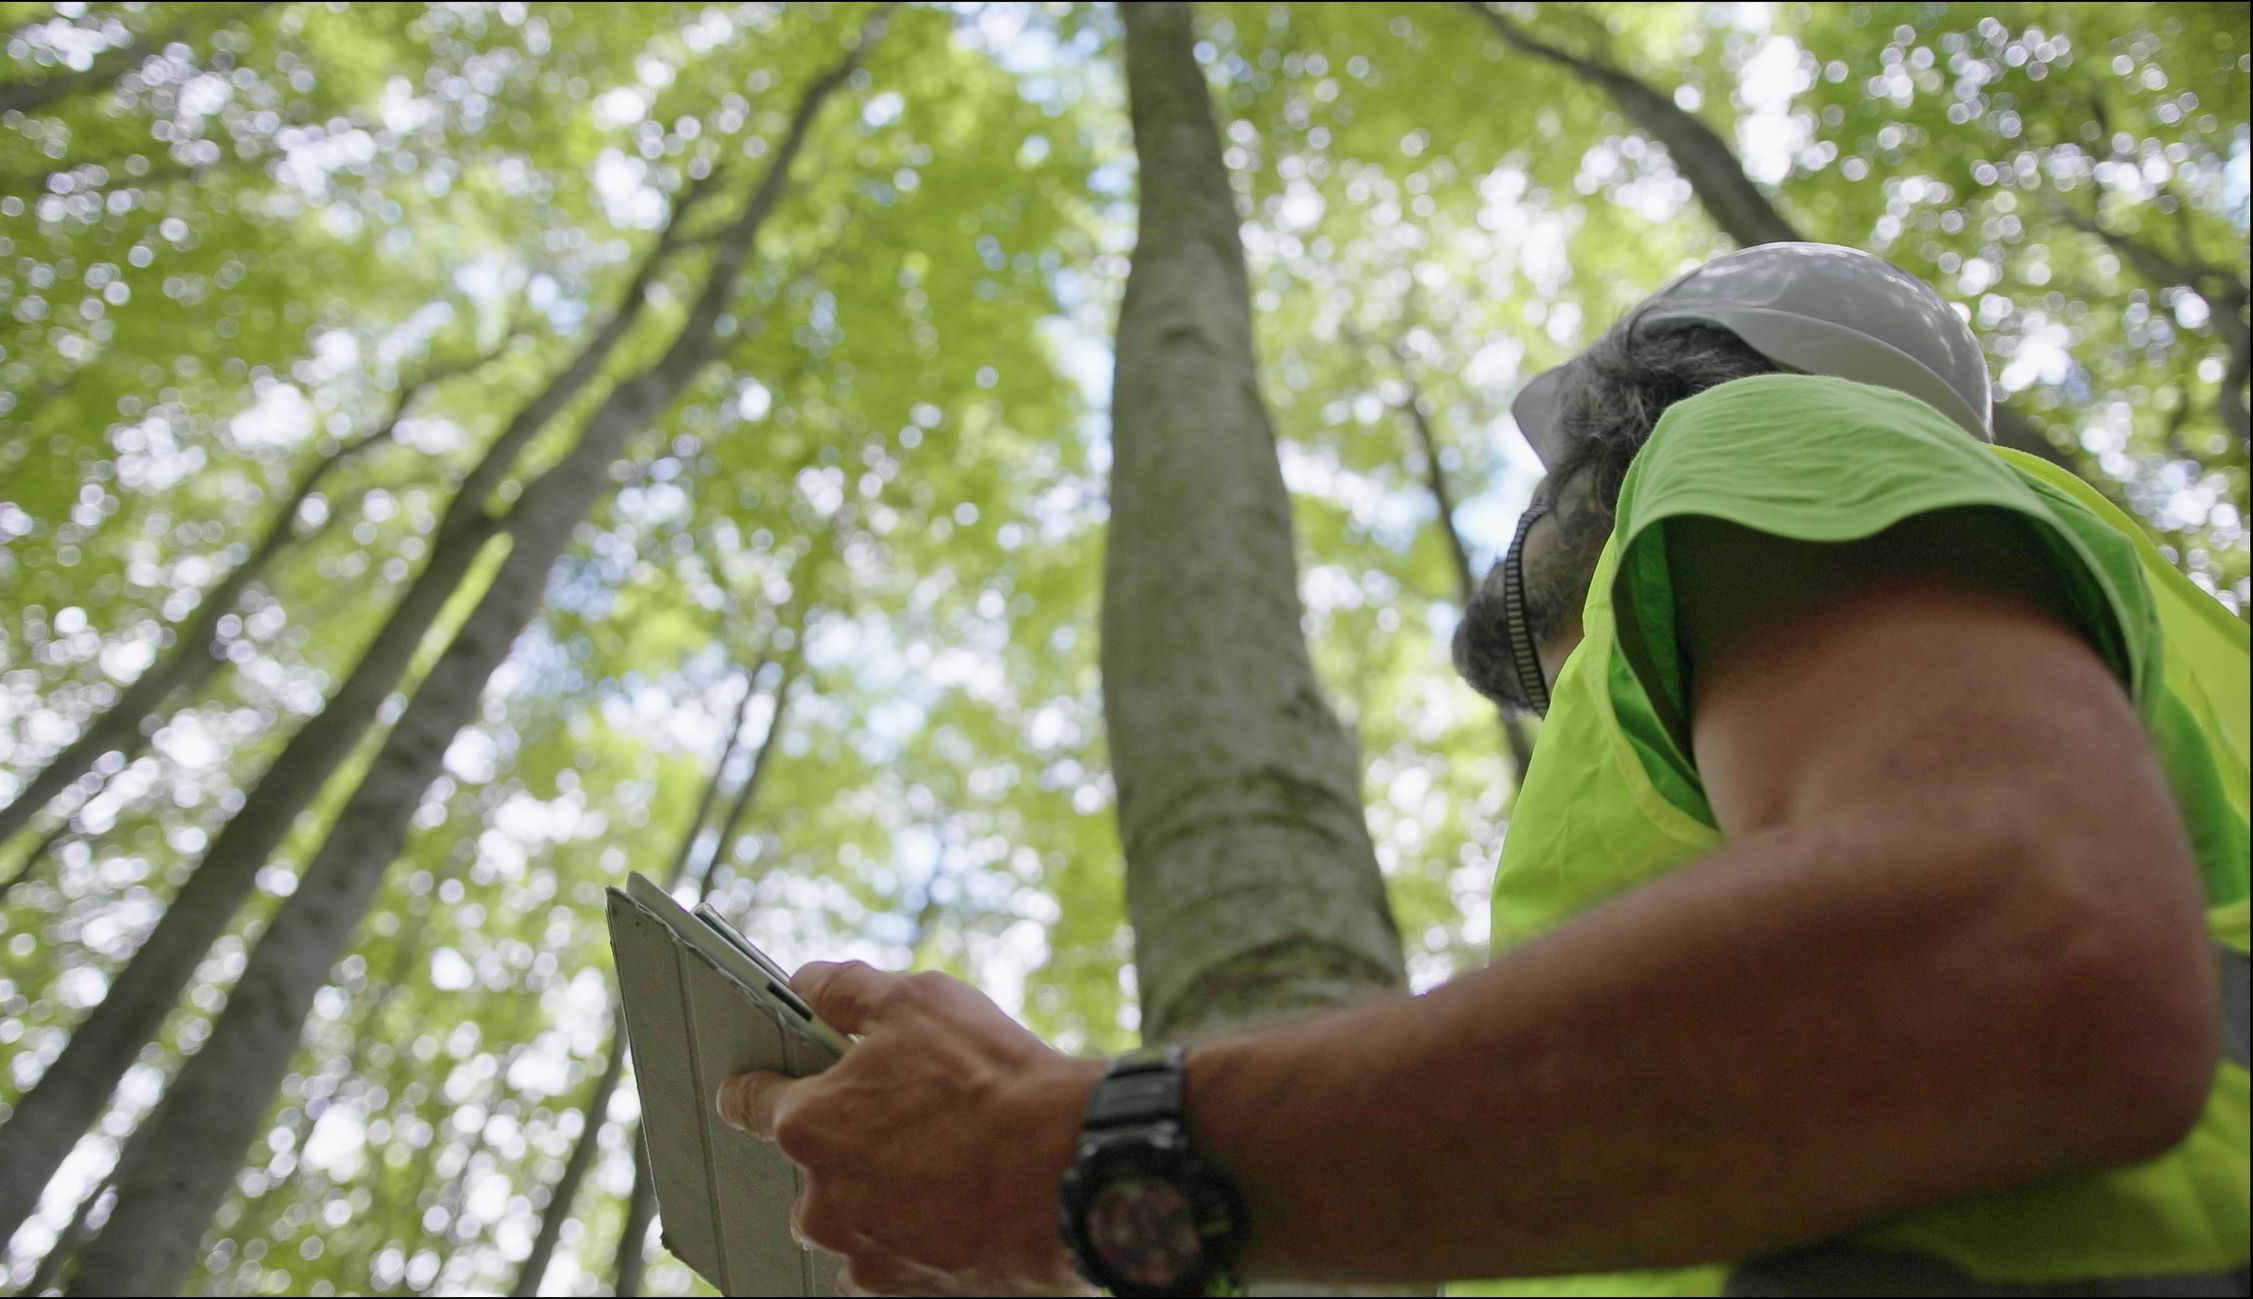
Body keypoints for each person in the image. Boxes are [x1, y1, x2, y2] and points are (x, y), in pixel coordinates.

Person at [715, 243, 2251, 1297]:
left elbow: (2015, 948)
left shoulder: (1758, 438)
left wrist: (1071, 1152)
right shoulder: (2125, 620)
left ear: (1635, 408)